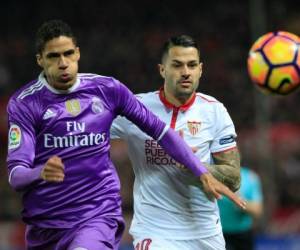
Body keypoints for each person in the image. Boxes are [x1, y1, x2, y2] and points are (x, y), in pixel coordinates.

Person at [5, 21, 245, 250]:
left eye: (68, 53)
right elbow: (16, 174)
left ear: (78, 53)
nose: (63, 63)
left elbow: (162, 132)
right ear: (40, 60)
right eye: (54, 56)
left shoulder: (109, 91)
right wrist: (41, 172)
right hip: (50, 221)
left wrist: (200, 170)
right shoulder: (26, 104)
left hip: (100, 214)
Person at [110, 35, 242, 250]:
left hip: (204, 230)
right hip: (154, 230)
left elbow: (234, 178)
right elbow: (90, 129)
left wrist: (195, 166)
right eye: (177, 65)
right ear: (162, 70)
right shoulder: (136, 108)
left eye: (191, 65)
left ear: (200, 69)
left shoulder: (214, 111)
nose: (185, 72)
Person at [218, 166, 263, 250]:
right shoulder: (212, 174)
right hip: (218, 233)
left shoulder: (250, 177)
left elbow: (257, 210)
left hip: (243, 235)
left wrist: (240, 202)